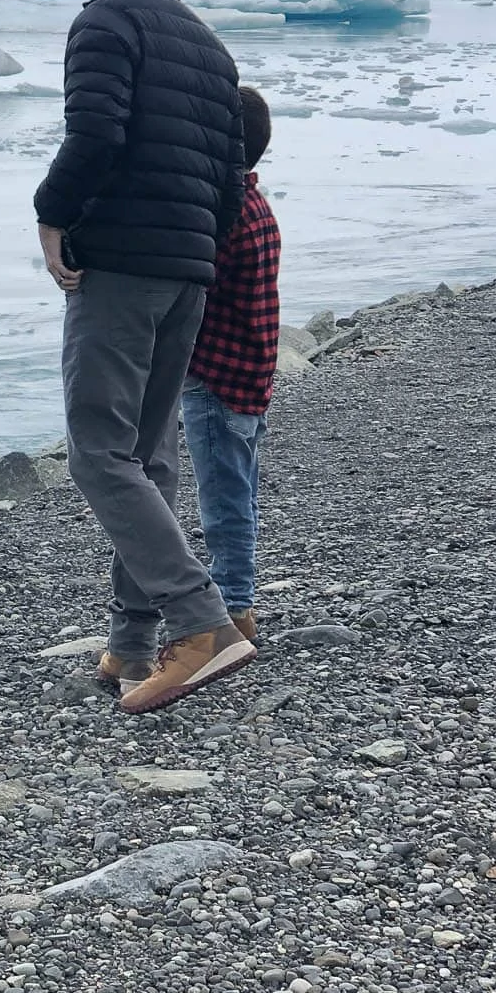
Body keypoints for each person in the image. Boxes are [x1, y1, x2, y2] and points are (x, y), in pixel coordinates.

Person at [34, 0, 253, 715]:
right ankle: (131, 644)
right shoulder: (207, 44)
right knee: (149, 455)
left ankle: (202, 626)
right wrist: (195, 248)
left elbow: (95, 135)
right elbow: (230, 184)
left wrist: (52, 217)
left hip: (121, 266)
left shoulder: (106, 21)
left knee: (99, 451)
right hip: (188, 270)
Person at [179, 85, 281, 641]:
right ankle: (237, 597)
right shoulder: (255, 203)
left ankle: (235, 607)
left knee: (223, 499)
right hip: (251, 372)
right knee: (238, 489)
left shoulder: (224, 215)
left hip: (218, 376)